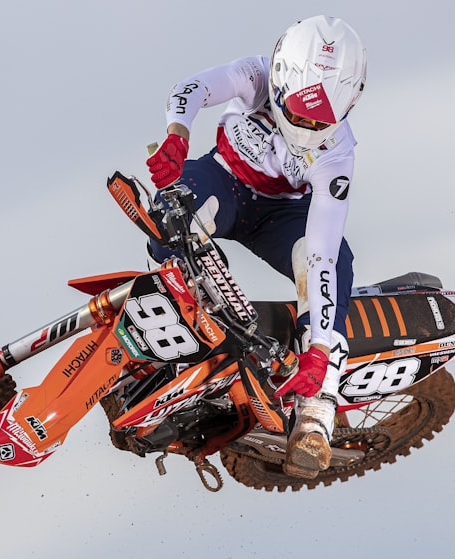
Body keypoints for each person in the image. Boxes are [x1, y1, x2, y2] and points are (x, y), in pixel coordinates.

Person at [144, 16, 366, 479]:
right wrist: (176, 137)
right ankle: (185, 330)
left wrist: (320, 348)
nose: (305, 127)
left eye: (320, 120)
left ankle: (317, 408)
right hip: (223, 179)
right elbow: (193, 88)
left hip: (280, 215)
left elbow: (323, 248)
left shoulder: (337, 154)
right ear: (281, 79)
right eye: (298, 112)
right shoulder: (257, 74)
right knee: (170, 218)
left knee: (335, 261)